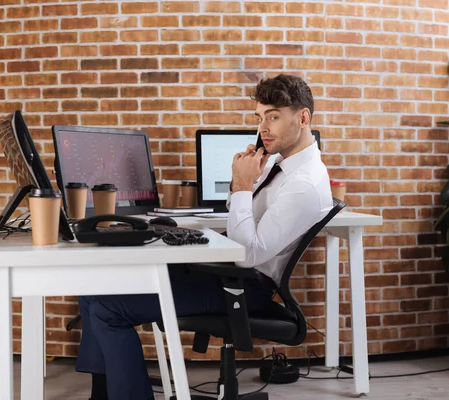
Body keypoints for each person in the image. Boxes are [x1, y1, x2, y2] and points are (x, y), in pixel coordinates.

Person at [75, 74, 333, 400]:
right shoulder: (279, 164)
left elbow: (247, 253)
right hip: (222, 270)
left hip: (241, 282)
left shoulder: (305, 183)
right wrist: (240, 182)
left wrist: (241, 185)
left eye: (274, 117)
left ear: (303, 118)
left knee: (108, 308)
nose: (263, 127)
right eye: (259, 117)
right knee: (92, 285)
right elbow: (238, 216)